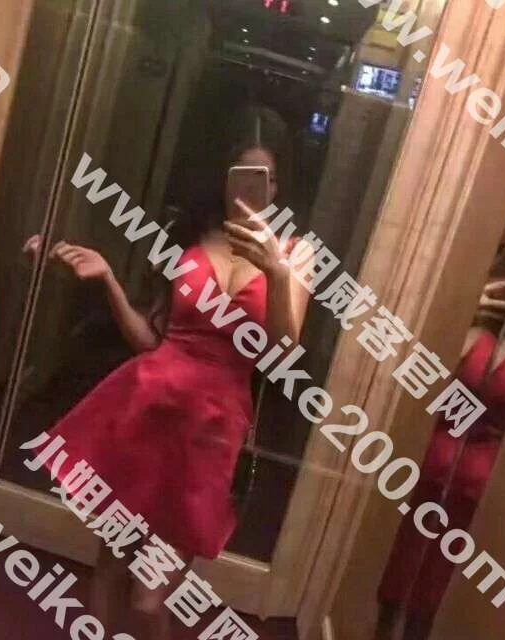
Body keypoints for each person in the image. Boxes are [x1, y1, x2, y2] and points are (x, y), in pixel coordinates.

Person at [23, 141, 313, 638]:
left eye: (262, 176)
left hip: (210, 431)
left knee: (150, 596)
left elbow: (284, 353)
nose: (249, 185)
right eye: (240, 172)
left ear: (276, 188)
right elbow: (151, 340)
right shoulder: (189, 238)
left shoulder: (295, 254)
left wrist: (275, 272)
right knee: (111, 565)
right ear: (224, 178)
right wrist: (109, 281)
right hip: (148, 407)